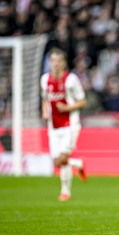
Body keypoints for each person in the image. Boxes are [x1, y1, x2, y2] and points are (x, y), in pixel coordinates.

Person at [41, 48, 87, 201]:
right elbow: (44, 98)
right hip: (53, 127)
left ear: (64, 63)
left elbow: (82, 101)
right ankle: (79, 164)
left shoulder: (71, 79)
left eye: (59, 61)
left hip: (70, 125)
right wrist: (45, 112)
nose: (55, 64)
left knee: (63, 158)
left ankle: (65, 192)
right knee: (57, 161)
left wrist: (67, 108)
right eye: (53, 60)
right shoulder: (44, 79)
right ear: (49, 62)